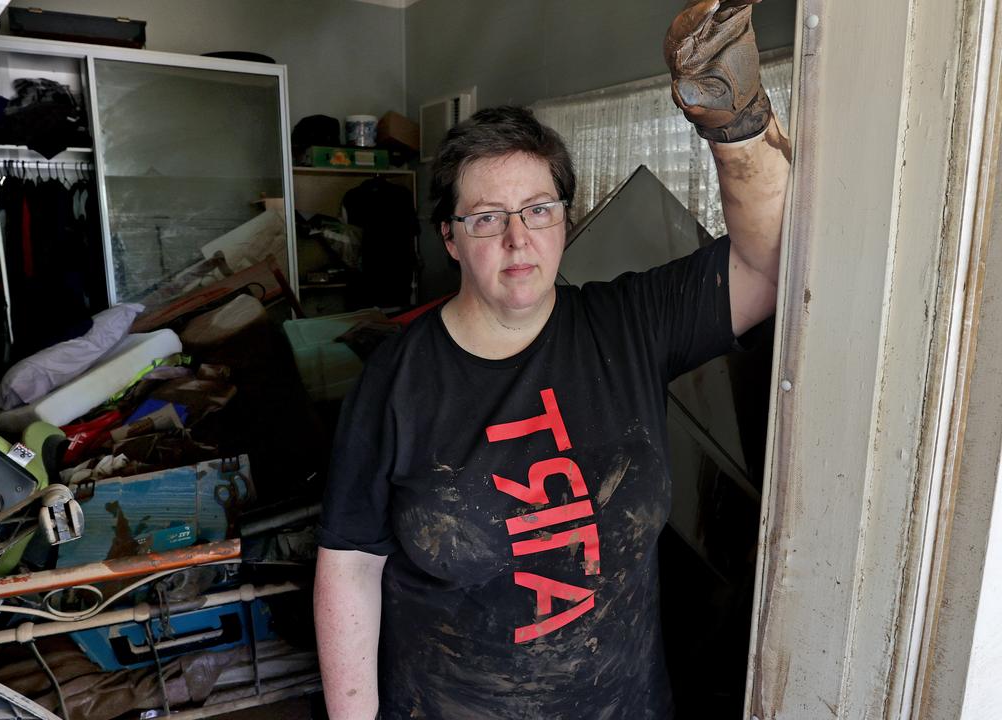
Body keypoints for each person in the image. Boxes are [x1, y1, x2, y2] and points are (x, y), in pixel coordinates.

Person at [313, 1, 792, 718]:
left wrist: (736, 126)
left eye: (539, 209)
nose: (518, 239)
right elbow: (350, 563)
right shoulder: (396, 381)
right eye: (487, 218)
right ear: (450, 238)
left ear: (566, 217)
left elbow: (767, 262)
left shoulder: (629, 324)